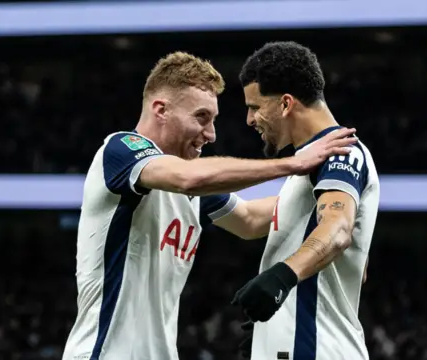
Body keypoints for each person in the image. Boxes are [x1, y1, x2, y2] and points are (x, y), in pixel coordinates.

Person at [61, 51, 358, 360]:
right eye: (201, 117)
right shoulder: (121, 150)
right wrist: (294, 164)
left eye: (213, 120)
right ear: (160, 110)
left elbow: (250, 220)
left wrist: (332, 193)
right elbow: (188, 179)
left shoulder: (191, 186)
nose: (211, 134)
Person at [231, 41, 379, 360]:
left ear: (286, 104)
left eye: (255, 107)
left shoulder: (341, 152)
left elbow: (337, 230)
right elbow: (249, 219)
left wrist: (281, 278)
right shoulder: (306, 168)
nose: (249, 119)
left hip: (316, 349)